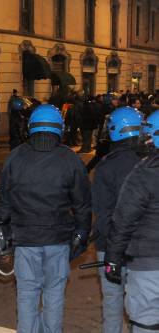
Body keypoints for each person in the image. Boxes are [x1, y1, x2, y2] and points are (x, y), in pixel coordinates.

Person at [0, 104, 92, 333]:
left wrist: (7, 232)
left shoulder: (15, 157)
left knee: (27, 295)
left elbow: (3, 202)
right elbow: (83, 204)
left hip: (26, 240)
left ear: (31, 127)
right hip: (58, 240)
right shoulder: (70, 159)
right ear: (60, 128)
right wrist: (81, 233)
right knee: (54, 294)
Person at [104, 109, 159, 333]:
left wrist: (113, 258)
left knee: (146, 322)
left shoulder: (144, 173)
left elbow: (123, 220)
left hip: (149, 265)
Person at [92, 106, 143, 333]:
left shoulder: (106, 166)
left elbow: (101, 213)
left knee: (112, 302)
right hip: (141, 248)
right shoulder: (148, 164)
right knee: (142, 307)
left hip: (110, 246)